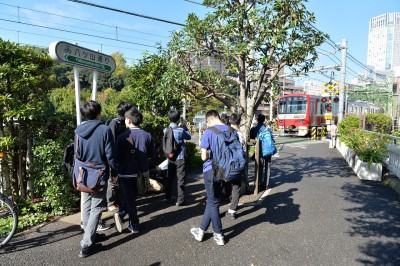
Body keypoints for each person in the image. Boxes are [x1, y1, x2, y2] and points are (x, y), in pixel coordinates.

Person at [75, 101, 117, 258]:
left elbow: (77, 153)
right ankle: (87, 245)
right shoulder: (104, 130)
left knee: (86, 204)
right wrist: (114, 173)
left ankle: (89, 234)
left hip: (83, 173)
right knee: (97, 207)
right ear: (98, 113)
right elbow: (110, 155)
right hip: (98, 173)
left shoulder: (78, 130)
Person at [191, 110, 235, 246]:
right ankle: (201, 231)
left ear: (209, 120)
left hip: (211, 170)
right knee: (213, 200)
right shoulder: (231, 130)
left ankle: (219, 234)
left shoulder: (209, 131)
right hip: (226, 170)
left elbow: (203, 157)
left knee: (213, 201)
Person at [114, 107, 154, 234]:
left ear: (129, 120)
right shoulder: (147, 135)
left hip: (125, 173)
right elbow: (152, 155)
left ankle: (133, 223)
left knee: (129, 198)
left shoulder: (121, 137)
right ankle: (122, 214)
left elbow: (116, 157)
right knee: (132, 197)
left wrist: (114, 172)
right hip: (141, 173)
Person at [106, 101, 133, 213]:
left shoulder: (125, 123)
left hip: (123, 156)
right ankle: (111, 203)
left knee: (120, 181)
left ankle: (119, 201)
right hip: (115, 157)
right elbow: (110, 143)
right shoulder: (114, 123)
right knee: (112, 181)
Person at [164, 109, 191, 206]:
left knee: (169, 177)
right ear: (178, 119)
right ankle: (181, 200)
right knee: (181, 179)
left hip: (170, 156)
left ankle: (168, 197)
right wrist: (184, 125)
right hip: (180, 157)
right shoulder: (180, 130)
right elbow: (188, 136)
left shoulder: (165, 130)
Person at [225, 113, 246, 220]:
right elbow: (243, 148)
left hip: (225, 163)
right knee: (236, 187)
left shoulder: (225, 132)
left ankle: (214, 209)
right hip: (237, 164)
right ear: (239, 122)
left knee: (223, 183)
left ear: (229, 121)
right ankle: (232, 210)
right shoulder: (240, 134)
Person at [250, 114, 273, 191]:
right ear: (264, 120)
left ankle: (258, 183)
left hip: (259, 150)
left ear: (257, 120)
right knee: (267, 167)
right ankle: (266, 184)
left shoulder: (254, 128)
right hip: (267, 150)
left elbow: (250, 137)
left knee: (259, 167)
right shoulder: (267, 129)